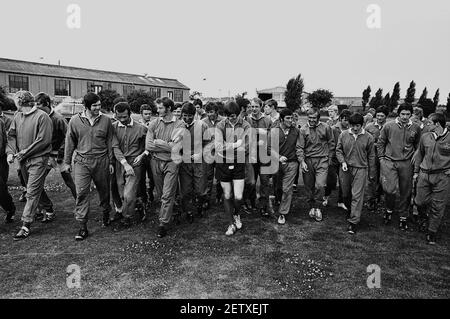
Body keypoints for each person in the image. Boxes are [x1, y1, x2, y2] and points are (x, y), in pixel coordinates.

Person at [63, 92, 114, 241]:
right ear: (86, 106)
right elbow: (69, 142)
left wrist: (111, 162)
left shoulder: (106, 121)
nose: (98, 107)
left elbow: (110, 141)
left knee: (104, 191)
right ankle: (82, 226)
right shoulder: (74, 121)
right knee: (82, 192)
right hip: (82, 162)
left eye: (99, 105)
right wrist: (67, 162)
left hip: (101, 161)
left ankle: (106, 213)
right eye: (95, 105)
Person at [7, 91, 53, 240]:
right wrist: (11, 152)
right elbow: (11, 135)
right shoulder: (17, 116)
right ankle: (48, 207)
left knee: (31, 192)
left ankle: (25, 225)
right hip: (23, 160)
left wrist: (24, 152)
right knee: (32, 187)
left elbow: (43, 140)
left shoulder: (42, 117)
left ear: (19, 103)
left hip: (38, 160)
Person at [377, 103, 421, 230]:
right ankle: (389, 210)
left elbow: (419, 145)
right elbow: (381, 143)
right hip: (389, 161)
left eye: (408, 114)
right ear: (398, 114)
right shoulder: (388, 126)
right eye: (403, 114)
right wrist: (381, 159)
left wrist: (416, 153)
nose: (405, 117)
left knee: (406, 191)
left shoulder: (415, 127)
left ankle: (403, 216)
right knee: (389, 189)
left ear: (411, 115)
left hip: (407, 163)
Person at [34, 92, 77, 223]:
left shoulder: (58, 118)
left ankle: (80, 204)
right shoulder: (39, 117)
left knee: (69, 182)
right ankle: (44, 207)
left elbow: (69, 137)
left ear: (46, 104)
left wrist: (61, 154)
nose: (36, 107)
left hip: (60, 156)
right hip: (46, 156)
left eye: (38, 105)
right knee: (36, 182)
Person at [146, 97, 184, 238]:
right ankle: (174, 210)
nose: (157, 110)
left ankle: (163, 224)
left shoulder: (180, 125)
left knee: (167, 194)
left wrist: (158, 142)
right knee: (162, 193)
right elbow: (148, 145)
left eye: (161, 108)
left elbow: (176, 148)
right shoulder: (154, 123)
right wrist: (166, 144)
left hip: (172, 162)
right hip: (155, 162)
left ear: (168, 108)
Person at [413, 113, 450, 245]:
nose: (426, 125)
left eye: (429, 123)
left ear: (437, 124)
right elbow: (419, 155)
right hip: (424, 174)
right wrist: (416, 172)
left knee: (438, 206)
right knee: (419, 201)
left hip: (443, 176)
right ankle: (423, 217)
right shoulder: (425, 137)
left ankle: (432, 231)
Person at [336, 113, 376, 234]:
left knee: (357, 195)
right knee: (346, 193)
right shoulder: (343, 135)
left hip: (361, 168)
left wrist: (371, 172)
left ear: (362, 125)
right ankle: (350, 210)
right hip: (345, 168)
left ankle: (353, 222)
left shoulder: (368, 137)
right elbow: (338, 150)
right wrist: (342, 162)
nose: (355, 128)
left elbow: (371, 155)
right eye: (352, 125)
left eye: (357, 126)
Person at [215, 101, 250, 236]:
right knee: (227, 194)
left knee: (238, 196)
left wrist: (227, 146)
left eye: (234, 116)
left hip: (239, 162)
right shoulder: (220, 125)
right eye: (228, 116)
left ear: (239, 113)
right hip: (222, 162)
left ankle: (236, 214)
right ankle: (230, 224)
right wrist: (235, 144)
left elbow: (246, 146)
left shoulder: (246, 125)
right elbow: (218, 147)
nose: (231, 119)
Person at [112, 102, 148, 229]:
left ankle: (127, 218)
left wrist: (142, 155)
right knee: (122, 193)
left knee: (128, 194)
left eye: (125, 117)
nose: (122, 120)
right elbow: (115, 147)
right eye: (119, 117)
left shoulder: (141, 128)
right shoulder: (113, 127)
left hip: (135, 163)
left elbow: (148, 146)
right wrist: (124, 163)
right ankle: (139, 204)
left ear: (130, 114)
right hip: (120, 162)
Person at [299, 107, 335, 222]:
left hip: (322, 160)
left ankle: (318, 207)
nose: (312, 120)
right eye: (310, 118)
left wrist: (329, 158)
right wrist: (302, 161)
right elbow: (299, 147)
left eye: (314, 118)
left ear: (318, 118)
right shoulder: (303, 129)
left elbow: (331, 143)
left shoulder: (326, 127)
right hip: (308, 160)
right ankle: (311, 207)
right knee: (309, 186)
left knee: (319, 185)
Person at [178, 102, 211, 222]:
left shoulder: (202, 125)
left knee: (200, 189)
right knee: (186, 190)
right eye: (184, 116)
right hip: (184, 162)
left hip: (199, 161)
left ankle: (200, 205)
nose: (187, 118)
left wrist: (200, 153)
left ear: (194, 114)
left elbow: (209, 143)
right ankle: (188, 211)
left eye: (190, 116)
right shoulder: (178, 126)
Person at [272, 109, 301, 225]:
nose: (291, 120)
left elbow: (300, 146)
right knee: (278, 187)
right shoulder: (274, 131)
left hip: (292, 163)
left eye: (292, 118)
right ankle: (278, 200)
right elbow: (268, 148)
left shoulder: (297, 131)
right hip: (277, 163)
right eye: (288, 118)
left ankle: (283, 213)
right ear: (281, 119)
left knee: (286, 189)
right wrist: (278, 157)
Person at [246, 97, 273, 217]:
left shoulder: (267, 120)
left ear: (260, 107)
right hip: (251, 155)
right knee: (251, 181)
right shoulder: (246, 119)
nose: (254, 109)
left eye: (256, 106)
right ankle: (251, 202)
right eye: (252, 106)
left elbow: (271, 137)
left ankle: (263, 206)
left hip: (264, 156)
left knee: (264, 182)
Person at [323, 109, 352, 210]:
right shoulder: (333, 129)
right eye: (345, 120)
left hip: (345, 159)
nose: (347, 122)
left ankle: (341, 201)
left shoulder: (351, 129)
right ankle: (326, 197)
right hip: (333, 158)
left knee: (343, 181)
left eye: (349, 120)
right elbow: (329, 143)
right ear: (340, 119)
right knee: (331, 180)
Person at [364, 105, 389, 212]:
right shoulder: (369, 127)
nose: (379, 118)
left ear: (386, 116)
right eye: (378, 115)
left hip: (385, 157)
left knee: (383, 179)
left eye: (382, 116)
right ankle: (371, 200)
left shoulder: (389, 127)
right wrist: (375, 145)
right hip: (372, 156)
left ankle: (379, 196)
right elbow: (364, 140)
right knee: (372, 178)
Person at [202, 102, 224, 206]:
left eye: (211, 112)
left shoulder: (223, 121)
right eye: (207, 112)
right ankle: (207, 198)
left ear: (216, 112)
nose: (209, 114)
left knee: (220, 176)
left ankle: (219, 196)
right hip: (208, 154)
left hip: (220, 153)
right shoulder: (203, 122)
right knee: (208, 176)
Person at [136, 103, 156, 214]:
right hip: (141, 155)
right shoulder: (137, 125)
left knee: (152, 177)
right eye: (146, 114)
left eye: (150, 114)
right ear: (141, 114)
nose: (148, 116)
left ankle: (151, 192)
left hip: (152, 155)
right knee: (141, 178)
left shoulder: (154, 124)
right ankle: (143, 199)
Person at [0, 110, 16, 223]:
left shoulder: (1, 122)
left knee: (1, 189)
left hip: (0, 159)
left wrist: (9, 153)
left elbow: (5, 142)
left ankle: (10, 208)